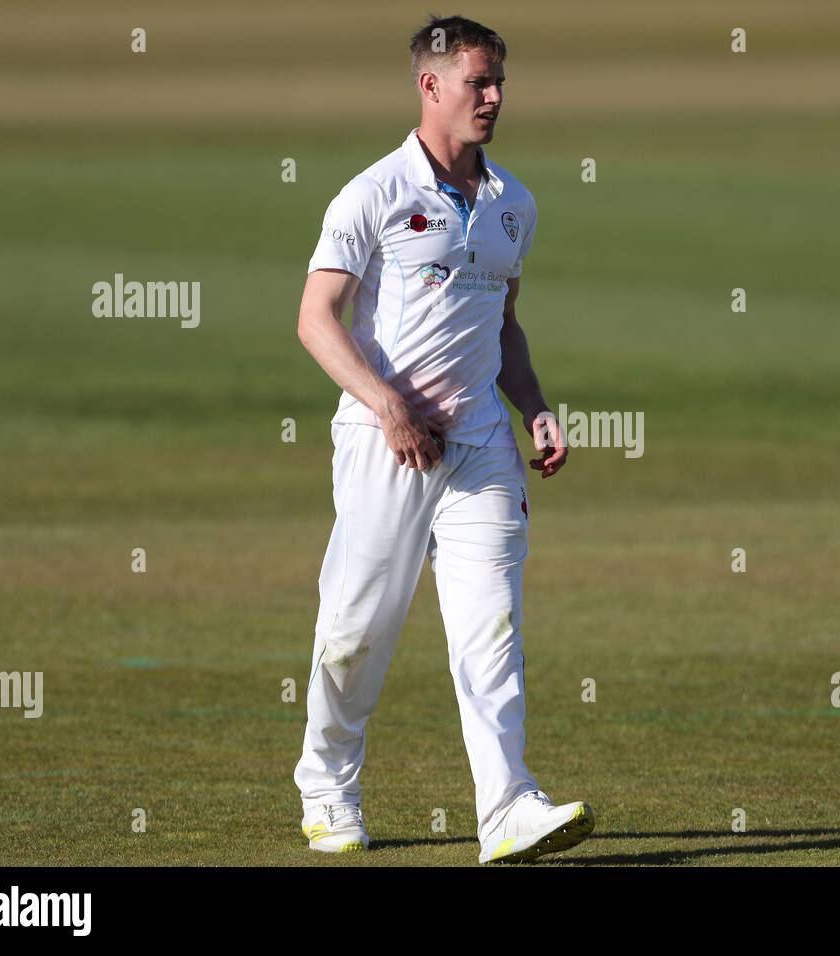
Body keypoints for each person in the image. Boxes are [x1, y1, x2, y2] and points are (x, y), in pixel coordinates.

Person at [291, 14, 593, 864]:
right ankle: (328, 789)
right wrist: (388, 407)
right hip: (384, 447)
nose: (494, 96)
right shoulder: (374, 193)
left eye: (499, 82)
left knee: (491, 628)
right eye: (477, 82)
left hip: (480, 449)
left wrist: (532, 405)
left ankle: (507, 807)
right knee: (356, 629)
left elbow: (503, 323)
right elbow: (316, 320)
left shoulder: (514, 205)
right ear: (430, 85)